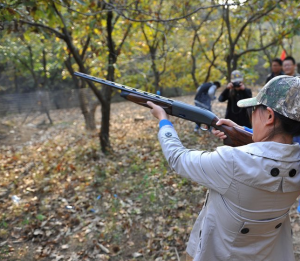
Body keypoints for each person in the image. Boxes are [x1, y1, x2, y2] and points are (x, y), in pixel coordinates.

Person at [147, 75, 300, 261]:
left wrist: (164, 121)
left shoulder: (232, 160)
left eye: (254, 110)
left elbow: (178, 158)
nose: (251, 116)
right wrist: (240, 130)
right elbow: (276, 150)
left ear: (269, 116)